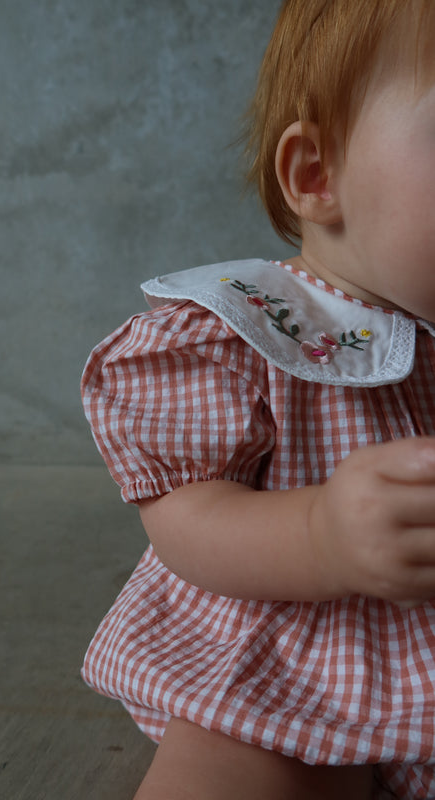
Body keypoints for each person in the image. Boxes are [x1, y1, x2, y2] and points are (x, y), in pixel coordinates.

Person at [80, 1, 435, 797]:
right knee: (232, 770)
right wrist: (321, 534)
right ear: (317, 175)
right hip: (287, 655)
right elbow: (182, 518)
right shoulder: (245, 338)